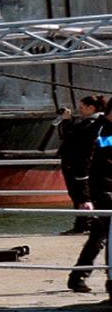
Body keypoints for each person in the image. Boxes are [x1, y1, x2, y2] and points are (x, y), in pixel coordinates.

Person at [68, 103, 112, 294]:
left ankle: (78, 276)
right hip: (100, 189)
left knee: (99, 234)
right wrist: (84, 197)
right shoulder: (96, 130)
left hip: (108, 186)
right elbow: (83, 165)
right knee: (108, 232)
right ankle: (110, 280)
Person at [57, 96, 104, 235]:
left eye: (82, 107)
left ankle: (85, 224)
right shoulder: (91, 122)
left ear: (91, 108)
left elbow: (73, 138)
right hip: (78, 164)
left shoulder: (93, 123)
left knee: (81, 196)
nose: (80, 110)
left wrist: (67, 121)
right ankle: (83, 223)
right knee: (78, 195)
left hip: (80, 165)